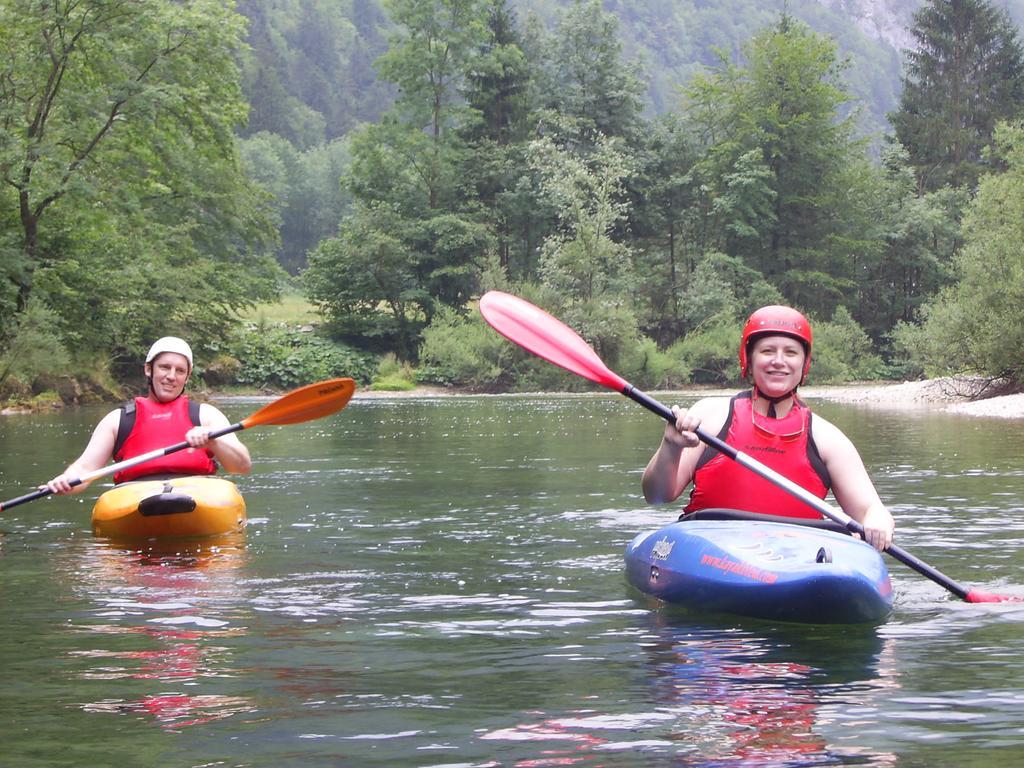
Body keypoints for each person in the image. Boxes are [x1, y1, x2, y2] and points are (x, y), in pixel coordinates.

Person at [641, 306, 894, 551]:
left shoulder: (826, 438)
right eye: (767, 351)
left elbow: (872, 509)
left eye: (791, 352)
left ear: (804, 363)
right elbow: (657, 496)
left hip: (795, 559)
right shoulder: (709, 417)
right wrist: (670, 447)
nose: (779, 361)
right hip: (708, 550)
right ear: (749, 359)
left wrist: (878, 522)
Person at [46, 337, 251, 494]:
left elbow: (241, 466)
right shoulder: (118, 420)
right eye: (164, 367)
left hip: (197, 495)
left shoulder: (206, 416)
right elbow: (85, 468)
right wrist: (66, 480)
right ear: (148, 369)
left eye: (180, 371)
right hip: (136, 498)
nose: (171, 376)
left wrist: (213, 441)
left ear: (187, 377)